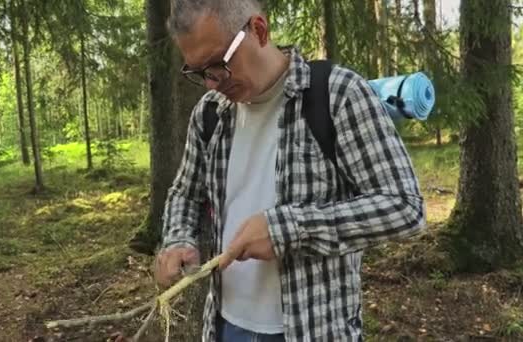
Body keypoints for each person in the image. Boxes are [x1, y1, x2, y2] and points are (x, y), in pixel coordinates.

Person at [154, 1, 426, 341]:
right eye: (198, 72)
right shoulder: (209, 114)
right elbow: (186, 193)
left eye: (218, 64)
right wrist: (179, 239)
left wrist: (288, 228)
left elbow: (405, 206)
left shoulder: (337, 95)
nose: (212, 83)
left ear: (259, 30)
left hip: (314, 328)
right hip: (224, 326)